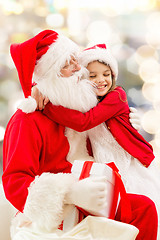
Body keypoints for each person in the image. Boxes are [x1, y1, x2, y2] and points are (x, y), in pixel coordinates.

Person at [2, 30, 158, 240]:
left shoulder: (74, 108)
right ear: (52, 74)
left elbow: (100, 121)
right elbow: (15, 181)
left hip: (93, 192)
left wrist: (127, 122)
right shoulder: (26, 120)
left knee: (145, 208)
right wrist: (69, 194)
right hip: (57, 213)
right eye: (68, 64)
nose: (79, 69)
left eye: (76, 61)